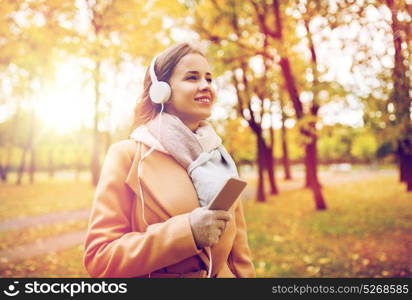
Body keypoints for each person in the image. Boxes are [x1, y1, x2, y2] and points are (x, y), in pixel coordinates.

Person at [83, 42, 256, 278]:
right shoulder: (128, 155)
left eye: (209, 79)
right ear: (161, 90)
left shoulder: (219, 159)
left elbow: (238, 255)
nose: (206, 86)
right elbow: (100, 258)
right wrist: (188, 232)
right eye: (192, 78)